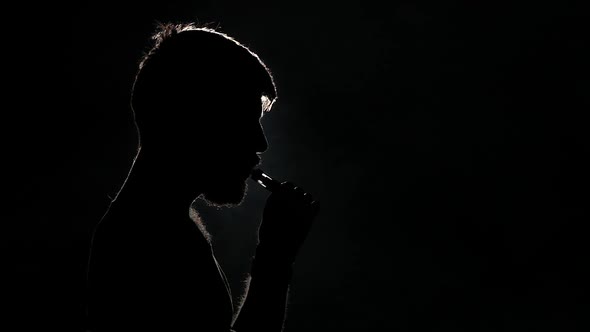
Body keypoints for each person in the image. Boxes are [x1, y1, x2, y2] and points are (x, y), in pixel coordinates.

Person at [86, 22, 320, 332]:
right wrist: (274, 260)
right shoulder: (151, 241)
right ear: (195, 121)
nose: (260, 143)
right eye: (244, 122)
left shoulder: (163, 224)